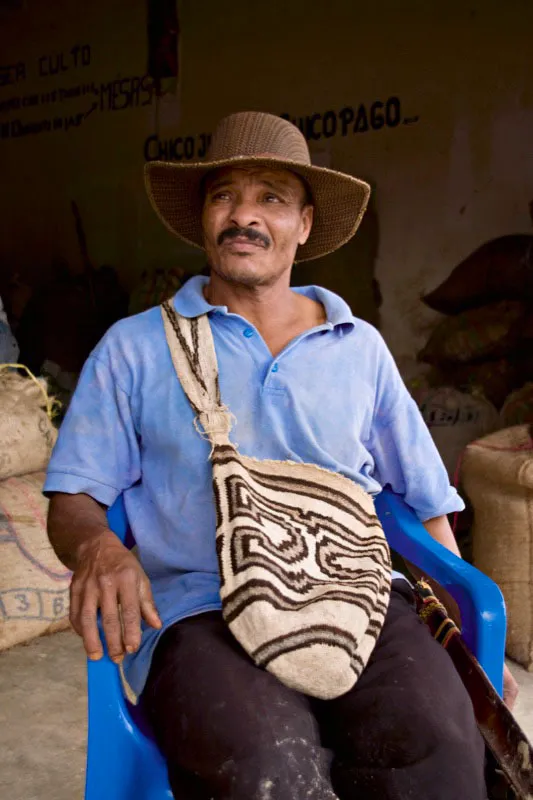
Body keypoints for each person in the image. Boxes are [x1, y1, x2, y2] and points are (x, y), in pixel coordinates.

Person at [46, 111, 516, 800]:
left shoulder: (358, 348)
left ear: (303, 223)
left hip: (356, 600)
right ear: (203, 220)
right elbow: (73, 496)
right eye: (222, 196)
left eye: (269, 196)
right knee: (270, 768)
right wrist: (97, 547)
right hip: (196, 613)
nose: (243, 215)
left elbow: (422, 502)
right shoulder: (135, 346)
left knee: (437, 745)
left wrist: (464, 633)